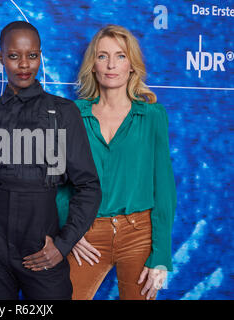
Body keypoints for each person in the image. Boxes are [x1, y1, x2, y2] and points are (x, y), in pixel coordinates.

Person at [0, 21, 101, 300]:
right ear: (1, 58)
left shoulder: (64, 113)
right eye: (13, 56)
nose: (23, 64)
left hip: (40, 250)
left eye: (32, 55)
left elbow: (89, 187)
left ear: (40, 56)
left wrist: (63, 245)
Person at [58, 24, 177, 300]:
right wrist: (70, 231)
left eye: (120, 56)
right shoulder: (72, 114)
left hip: (139, 235)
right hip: (87, 233)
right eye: (102, 56)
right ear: (93, 65)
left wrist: (161, 256)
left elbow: (164, 188)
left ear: (132, 66)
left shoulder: (153, 116)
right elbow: (60, 183)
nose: (111, 64)